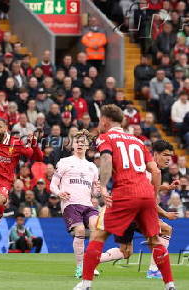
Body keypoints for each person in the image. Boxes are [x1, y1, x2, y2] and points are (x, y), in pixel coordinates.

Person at [74, 104, 175, 290]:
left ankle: (85, 284)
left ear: (105, 120)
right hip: (145, 194)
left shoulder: (106, 138)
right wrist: (152, 195)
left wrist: (103, 186)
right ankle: (169, 285)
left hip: (124, 193)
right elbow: (154, 170)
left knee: (98, 235)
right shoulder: (138, 141)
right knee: (155, 240)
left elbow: (106, 160)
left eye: (100, 120)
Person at [99, 140, 179, 279]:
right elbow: (146, 200)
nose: (168, 159)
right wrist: (165, 214)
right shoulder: (149, 171)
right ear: (155, 154)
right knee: (166, 229)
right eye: (165, 155)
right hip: (129, 211)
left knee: (126, 252)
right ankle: (154, 270)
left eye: (170, 156)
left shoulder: (143, 168)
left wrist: (166, 188)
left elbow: (148, 189)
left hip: (123, 211)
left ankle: (92, 259)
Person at [50, 129, 100, 278]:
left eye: (83, 142)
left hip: (88, 205)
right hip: (71, 204)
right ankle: (80, 267)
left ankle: (90, 264)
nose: (80, 144)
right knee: (79, 231)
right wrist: (59, 193)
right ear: (73, 144)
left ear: (87, 146)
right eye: (77, 142)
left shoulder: (92, 167)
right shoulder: (65, 162)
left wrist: (97, 191)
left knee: (96, 228)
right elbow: (52, 185)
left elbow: (94, 193)